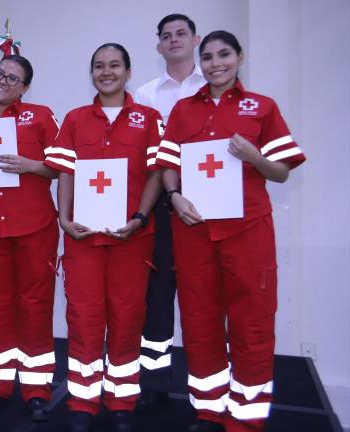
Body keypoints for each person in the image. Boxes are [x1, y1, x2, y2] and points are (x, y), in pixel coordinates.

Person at [156, 31, 306, 432]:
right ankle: (208, 409)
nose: (215, 63)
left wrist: (253, 156)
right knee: (199, 319)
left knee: (251, 322)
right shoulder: (183, 110)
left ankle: (246, 417)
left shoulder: (262, 107)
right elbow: (168, 163)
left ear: (240, 56)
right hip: (194, 230)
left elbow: (282, 171)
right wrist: (174, 196)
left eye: (224, 55)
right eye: (207, 57)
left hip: (247, 231)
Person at [44, 44, 163, 432]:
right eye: (99, 66)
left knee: (128, 318)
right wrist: (64, 217)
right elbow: (66, 172)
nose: (106, 72)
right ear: (91, 72)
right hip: (83, 239)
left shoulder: (148, 118)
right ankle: (82, 400)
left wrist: (140, 217)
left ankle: (122, 401)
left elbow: (156, 174)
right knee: (83, 318)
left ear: (128, 71)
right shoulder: (76, 120)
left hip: (132, 238)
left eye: (115, 65)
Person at [0, 55, 60, 422]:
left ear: (25, 85)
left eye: (12, 77)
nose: (2, 81)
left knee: (35, 307)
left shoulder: (40, 115)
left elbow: (60, 165)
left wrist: (30, 165)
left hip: (34, 226)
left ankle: (37, 389)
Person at [132, 13, 205, 409]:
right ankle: (155, 383)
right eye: (166, 36)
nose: (174, 40)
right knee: (156, 299)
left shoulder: (213, 88)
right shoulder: (145, 95)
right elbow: (145, 157)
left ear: (195, 40)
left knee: (203, 299)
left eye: (181, 34)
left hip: (210, 206)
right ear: (158, 46)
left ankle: (205, 389)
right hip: (162, 206)